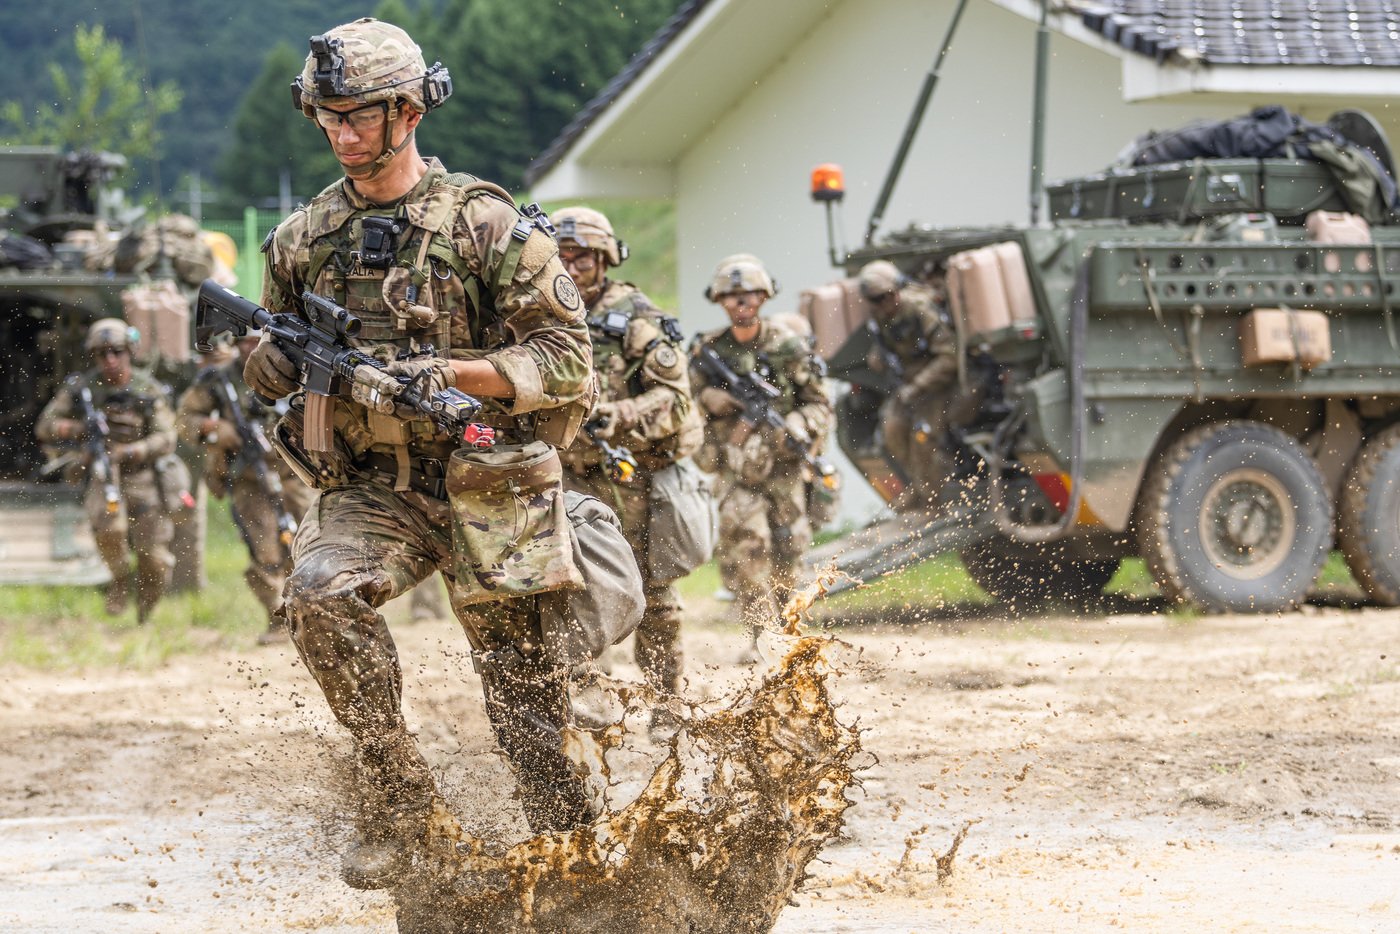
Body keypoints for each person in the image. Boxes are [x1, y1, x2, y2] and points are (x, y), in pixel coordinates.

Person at [243, 18, 601, 889]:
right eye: (324, 116)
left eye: (356, 115)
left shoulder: (489, 226)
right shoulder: (301, 239)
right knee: (320, 595)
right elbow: (260, 366)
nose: (338, 132)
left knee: (530, 716)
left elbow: (567, 362)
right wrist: (270, 362)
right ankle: (399, 800)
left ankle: (581, 859)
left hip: (492, 484)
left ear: (408, 112)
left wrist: (454, 372)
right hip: (376, 490)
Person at [553, 206, 704, 721]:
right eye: (561, 256)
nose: (570, 268)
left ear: (605, 259)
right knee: (573, 586)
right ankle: (592, 699)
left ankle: (666, 702)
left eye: (582, 258)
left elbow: (675, 401)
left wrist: (617, 415)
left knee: (651, 591)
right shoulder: (535, 315)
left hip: (628, 476)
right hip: (565, 474)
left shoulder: (637, 319)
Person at [691, 255, 832, 662]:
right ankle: (760, 636)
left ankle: (788, 631)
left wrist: (801, 425)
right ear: (719, 300)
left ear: (765, 296)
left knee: (790, 549)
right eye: (732, 296)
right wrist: (710, 399)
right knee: (746, 550)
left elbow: (820, 403)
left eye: (750, 294)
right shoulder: (709, 349)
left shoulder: (787, 346)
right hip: (734, 469)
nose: (741, 302)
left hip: (784, 468)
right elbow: (686, 405)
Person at [35, 319, 178, 622]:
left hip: (142, 475)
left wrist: (133, 449)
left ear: (129, 351)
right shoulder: (82, 388)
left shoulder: (146, 389)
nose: (110, 360)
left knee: (154, 556)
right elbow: (45, 426)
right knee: (109, 531)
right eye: (102, 354)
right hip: (102, 471)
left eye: (117, 351)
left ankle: (146, 610)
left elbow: (167, 437)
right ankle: (120, 579)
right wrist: (77, 429)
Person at [176, 334, 315, 645]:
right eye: (243, 343)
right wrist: (215, 429)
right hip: (248, 479)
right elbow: (185, 418)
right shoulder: (220, 379)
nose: (250, 349)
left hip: (295, 475)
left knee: (305, 547)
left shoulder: (294, 371)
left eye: (257, 341)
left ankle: (311, 619)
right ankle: (279, 619)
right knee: (264, 550)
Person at [857, 259, 966, 502]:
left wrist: (917, 387)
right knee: (891, 431)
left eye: (886, 296)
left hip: (937, 384)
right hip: (908, 384)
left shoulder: (919, 308)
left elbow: (950, 356)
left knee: (923, 437)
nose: (883, 304)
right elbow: (886, 346)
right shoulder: (880, 317)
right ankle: (921, 486)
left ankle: (937, 495)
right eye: (875, 300)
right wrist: (878, 357)